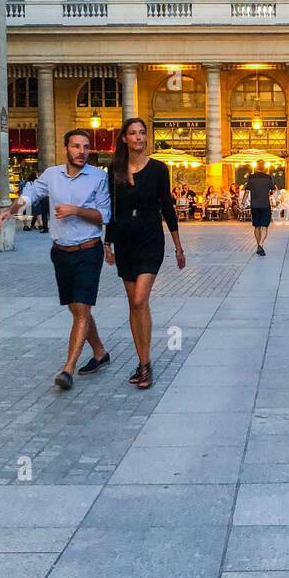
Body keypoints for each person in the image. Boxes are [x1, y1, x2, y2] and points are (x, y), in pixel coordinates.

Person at [0, 129, 113, 390]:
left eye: (85, 147)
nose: (82, 151)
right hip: (60, 251)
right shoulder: (51, 175)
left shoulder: (97, 177)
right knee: (76, 308)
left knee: (82, 309)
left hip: (88, 250)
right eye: (76, 146)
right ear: (66, 148)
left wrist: (76, 210)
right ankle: (100, 352)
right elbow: (30, 194)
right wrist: (10, 210)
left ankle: (67, 370)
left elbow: (104, 215)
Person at [104, 118, 185, 391]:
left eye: (142, 133)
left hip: (151, 238)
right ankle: (144, 362)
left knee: (140, 298)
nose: (139, 137)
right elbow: (112, 209)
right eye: (133, 133)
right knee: (134, 304)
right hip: (125, 239)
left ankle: (145, 362)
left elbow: (168, 207)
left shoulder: (159, 169)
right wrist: (108, 242)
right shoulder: (114, 170)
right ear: (124, 138)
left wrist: (178, 246)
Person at [243, 167, 274, 255]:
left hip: (255, 205)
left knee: (257, 226)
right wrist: (270, 194)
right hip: (265, 204)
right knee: (264, 226)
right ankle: (261, 244)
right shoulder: (268, 177)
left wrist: (243, 202)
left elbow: (247, 191)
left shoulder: (251, 177)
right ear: (264, 167)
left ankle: (258, 245)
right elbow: (273, 189)